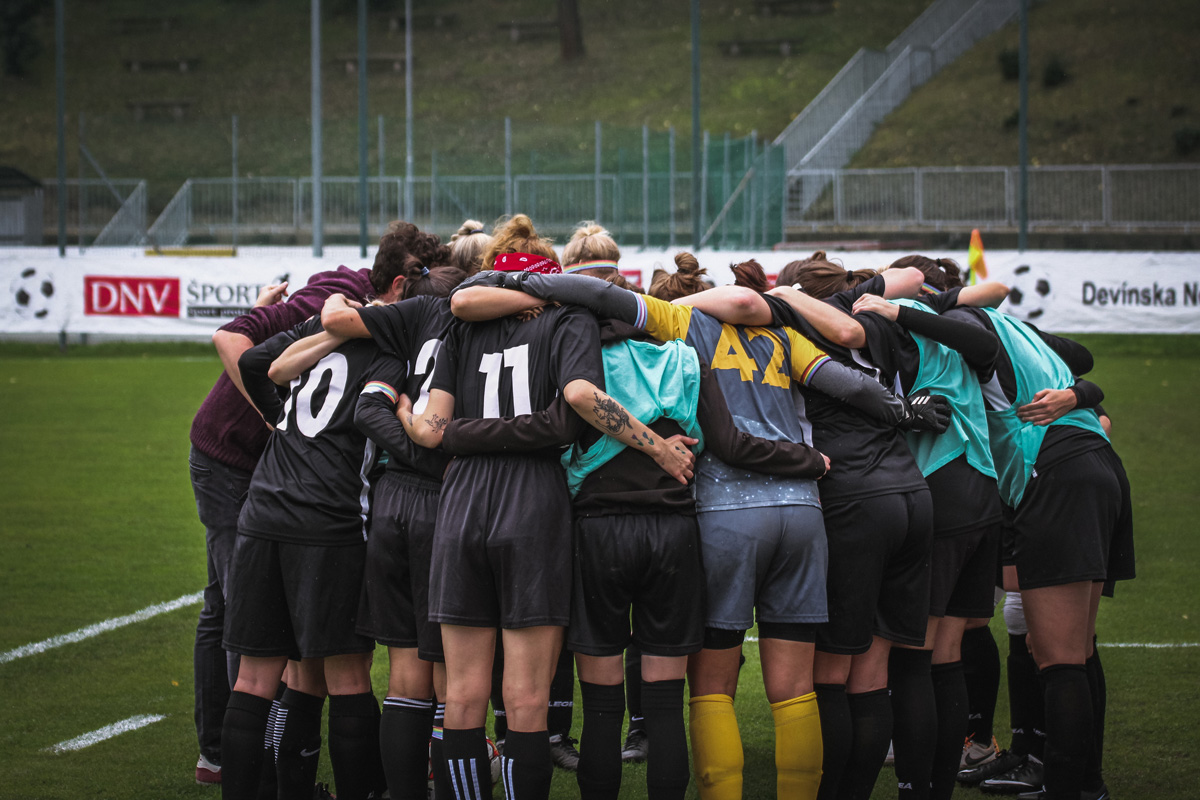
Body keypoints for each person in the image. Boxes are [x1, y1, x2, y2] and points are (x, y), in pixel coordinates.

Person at [449, 253, 950, 800]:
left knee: (660, 695)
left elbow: (585, 424)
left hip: (668, 522)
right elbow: (829, 390)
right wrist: (885, 418)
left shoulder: (651, 336)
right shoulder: (730, 344)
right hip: (762, 517)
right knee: (779, 690)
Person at [397, 214, 695, 800]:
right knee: (527, 697)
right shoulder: (568, 318)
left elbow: (433, 431)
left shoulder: (462, 324)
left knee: (462, 695)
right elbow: (567, 417)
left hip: (462, 501)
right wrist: (658, 447)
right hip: (532, 497)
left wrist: (428, 422)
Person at [882, 282, 1133, 800]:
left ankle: (1065, 788)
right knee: (1078, 651)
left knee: (1058, 657)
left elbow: (979, 344)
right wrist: (1080, 394)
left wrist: (898, 313)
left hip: (1054, 471)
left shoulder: (966, 325)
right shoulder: (1016, 326)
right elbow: (1082, 358)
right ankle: (1087, 786)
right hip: (1095, 462)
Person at [188, 263, 381, 786]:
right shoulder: (346, 313)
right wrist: (277, 421)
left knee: (248, 645)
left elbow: (261, 361)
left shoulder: (336, 312)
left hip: (268, 497)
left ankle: (245, 768)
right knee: (293, 652)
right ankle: (238, 762)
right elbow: (236, 344)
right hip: (258, 476)